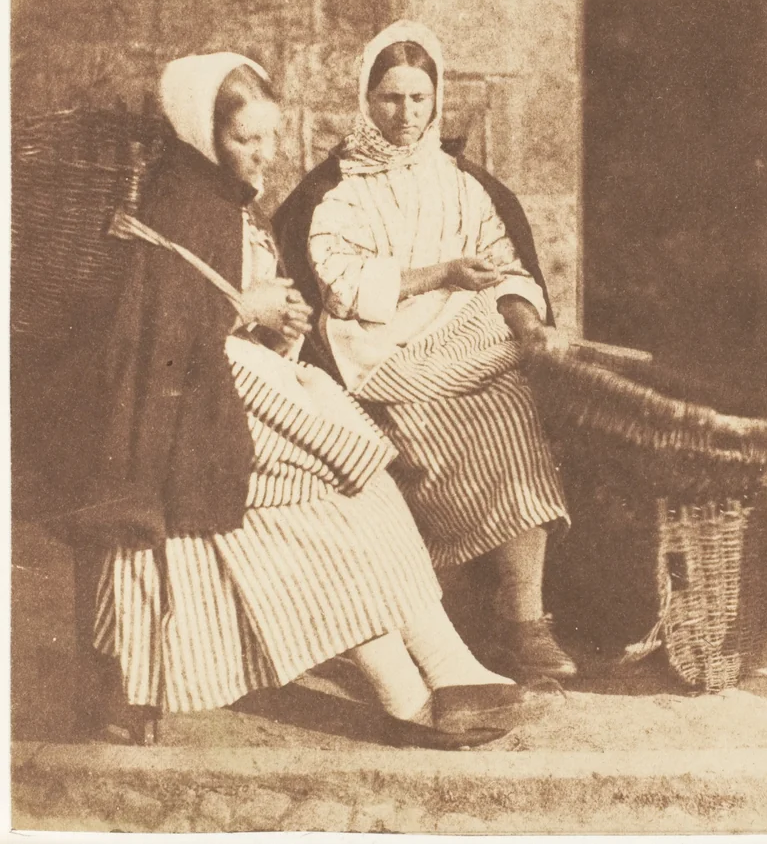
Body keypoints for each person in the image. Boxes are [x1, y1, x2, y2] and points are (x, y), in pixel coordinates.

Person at [43, 53, 544, 749]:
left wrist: (273, 325)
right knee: (335, 512)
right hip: (194, 408)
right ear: (202, 134)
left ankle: (450, 667)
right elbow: (154, 337)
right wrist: (246, 310)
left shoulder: (221, 200)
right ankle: (408, 694)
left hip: (237, 382)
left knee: (370, 492)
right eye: (246, 140)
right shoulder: (179, 202)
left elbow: (222, 304)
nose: (263, 154)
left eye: (270, 138)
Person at [273, 22, 576, 681]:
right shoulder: (338, 189)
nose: (404, 114)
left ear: (436, 99)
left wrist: (526, 328)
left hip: (467, 342)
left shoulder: (462, 183)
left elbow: (508, 269)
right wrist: (437, 273)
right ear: (366, 99)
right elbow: (344, 288)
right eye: (389, 98)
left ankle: (525, 618)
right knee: (448, 426)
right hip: (384, 357)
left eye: (417, 98)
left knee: (521, 407)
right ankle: (477, 613)